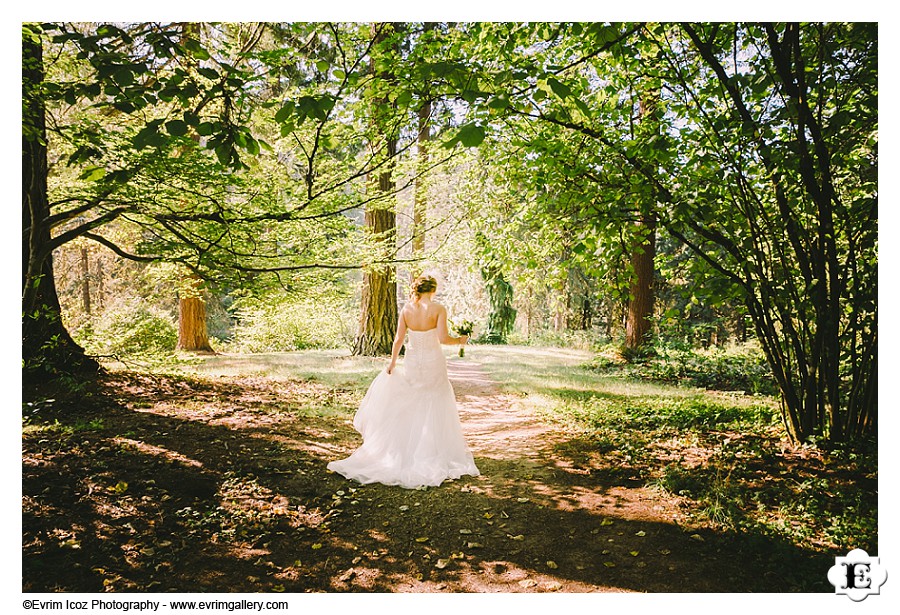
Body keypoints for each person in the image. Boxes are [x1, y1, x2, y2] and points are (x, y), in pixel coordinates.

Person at [327, 275, 480, 489]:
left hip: (413, 360)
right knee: (436, 400)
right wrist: (461, 340)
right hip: (433, 360)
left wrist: (392, 363)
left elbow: (398, 339)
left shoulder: (407, 310)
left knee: (414, 400)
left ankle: (407, 449)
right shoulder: (438, 309)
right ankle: (433, 450)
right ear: (433, 290)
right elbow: (444, 339)